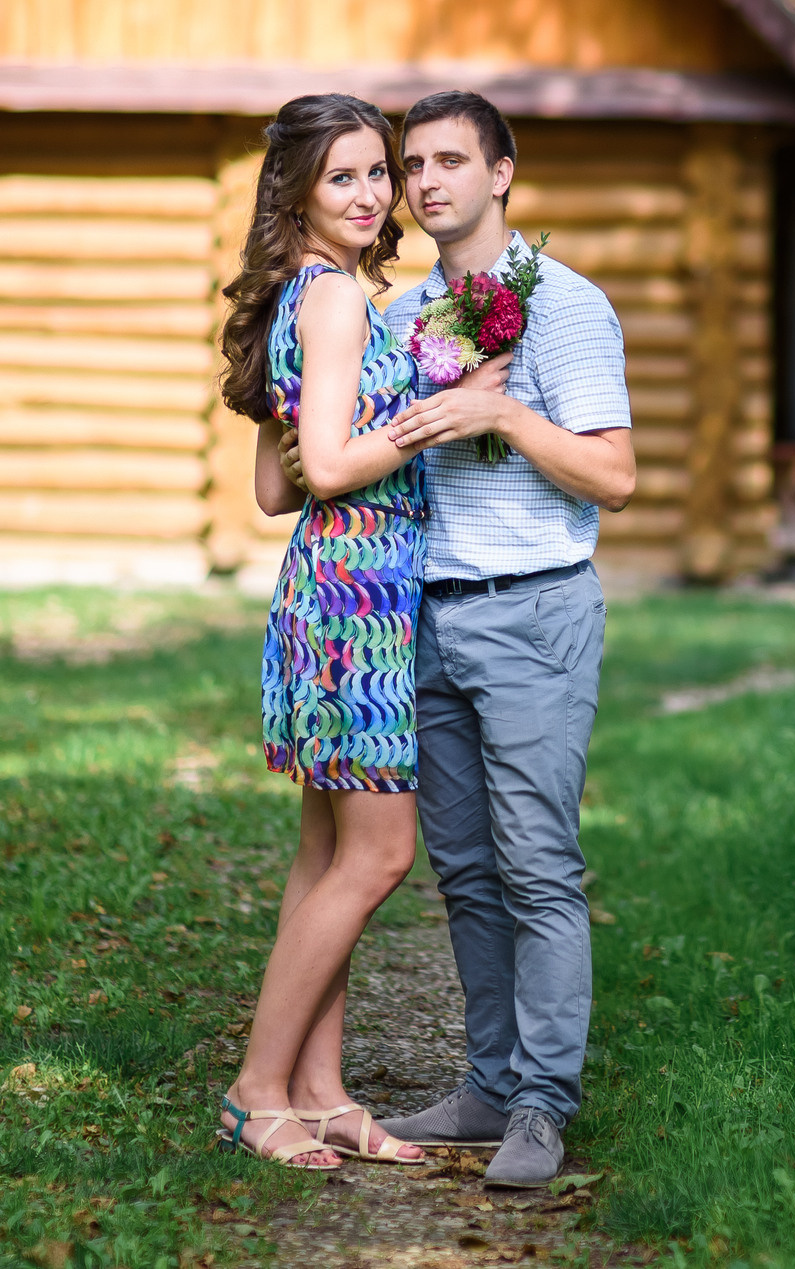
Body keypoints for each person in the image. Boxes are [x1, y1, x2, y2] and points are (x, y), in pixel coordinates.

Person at [292, 90, 634, 1189]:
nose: (426, 180)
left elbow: (614, 476)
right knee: (468, 870)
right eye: (412, 163)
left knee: (538, 863)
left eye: (451, 160)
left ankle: (542, 1101)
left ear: (502, 174)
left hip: (534, 608)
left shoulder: (566, 308)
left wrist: (507, 417)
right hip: (421, 618)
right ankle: (488, 1081)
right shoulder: (402, 316)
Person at [211, 94, 442, 1170]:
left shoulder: (301, 293)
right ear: (299, 186)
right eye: (343, 175)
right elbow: (336, 465)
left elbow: (273, 483)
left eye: (376, 174)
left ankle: (320, 1087)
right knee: (384, 851)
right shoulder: (339, 301)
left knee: (327, 852)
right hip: (358, 597)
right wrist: (430, 416)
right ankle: (258, 1089)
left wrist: (341, 444)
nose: (369, 194)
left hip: (332, 585)